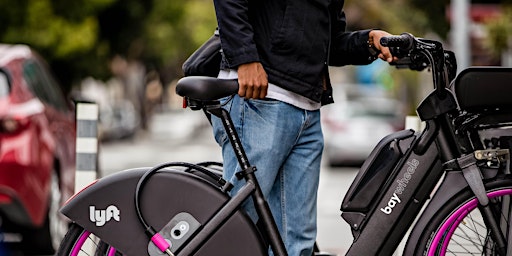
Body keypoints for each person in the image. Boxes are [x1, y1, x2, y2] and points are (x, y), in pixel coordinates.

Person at [211, 0, 396, 255]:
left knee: (296, 242)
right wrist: (245, 58)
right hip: (261, 97)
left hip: (307, 109)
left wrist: (369, 41)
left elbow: (330, 45)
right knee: (238, 225)